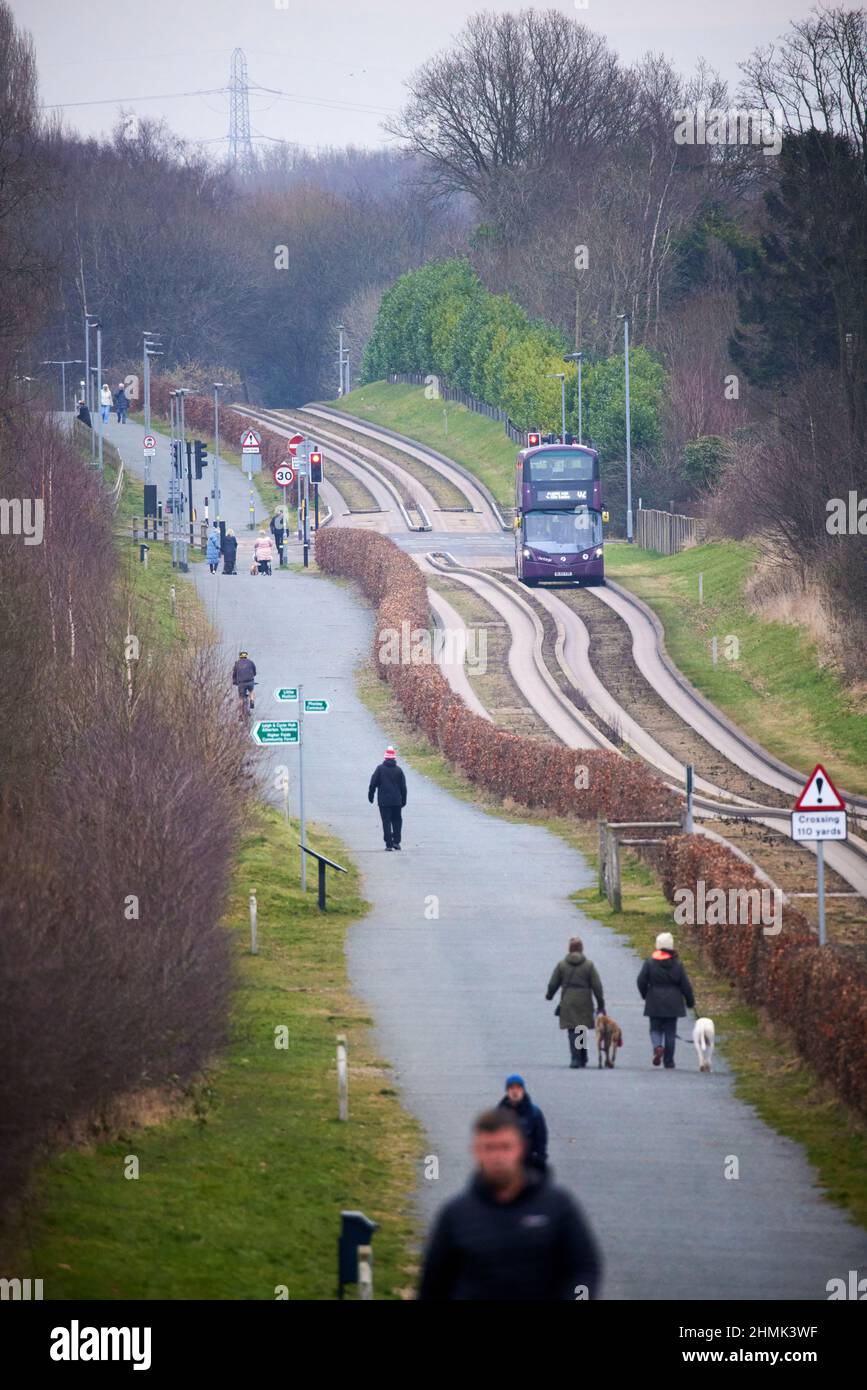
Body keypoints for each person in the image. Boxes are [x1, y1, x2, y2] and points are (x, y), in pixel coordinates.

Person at [417, 1108, 602, 1301]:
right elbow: (432, 1285)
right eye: (489, 1148)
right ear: (475, 1151)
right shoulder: (456, 1215)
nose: (498, 1157)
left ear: (521, 1148)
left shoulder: (558, 1207)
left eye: (505, 1147)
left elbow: (584, 1268)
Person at [637, 931, 695, 1069]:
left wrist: (645, 994)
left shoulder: (650, 962)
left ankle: (657, 1046)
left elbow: (641, 980)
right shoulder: (677, 964)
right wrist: (690, 1001)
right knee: (670, 1031)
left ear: (657, 945)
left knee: (655, 1028)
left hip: (654, 1000)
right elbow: (685, 985)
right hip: (673, 1002)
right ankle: (669, 1061)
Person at [545, 936, 605, 1069]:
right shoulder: (589, 965)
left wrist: (549, 995)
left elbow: (553, 983)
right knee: (581, 1028)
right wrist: (601, 1004)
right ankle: (582, 1056)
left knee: (572, 1029)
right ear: (582, 948)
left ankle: (575, 1057)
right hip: (584, 1000)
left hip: (568, 1000)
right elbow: (597, 986)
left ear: (569, 949)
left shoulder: (562, 965)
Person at [496, 1075, 548, 1173]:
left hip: (528, 1163)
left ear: (523, 1090)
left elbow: (541, 1139)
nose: (515, 1091)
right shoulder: (498, 1113)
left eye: (518, 1088)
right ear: (507, 1091)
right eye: (511, 1088)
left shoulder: (534, 1113)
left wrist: (540, 1161)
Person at [368, 745, 406, 851]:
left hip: (384, 801)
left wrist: (370, 796)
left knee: (386, 821)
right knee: (397, 820)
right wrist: (404, 800)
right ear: (394, 758)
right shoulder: (399, 770)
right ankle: (396, 842)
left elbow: (373, 783)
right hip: (396, 801)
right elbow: (403, 787)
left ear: (385, 758)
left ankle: (388, 844)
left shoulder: (380, 769)